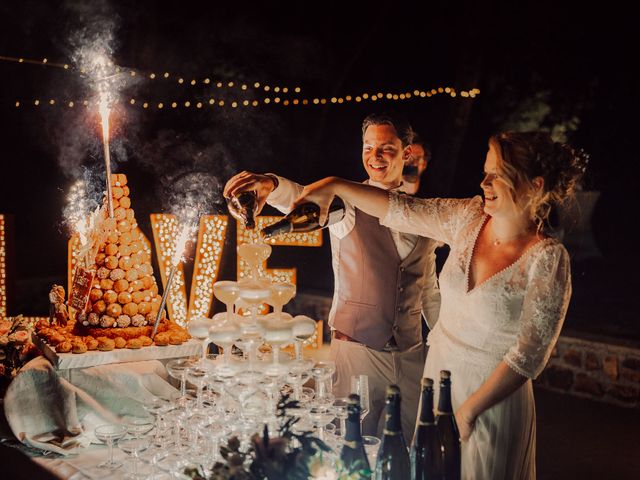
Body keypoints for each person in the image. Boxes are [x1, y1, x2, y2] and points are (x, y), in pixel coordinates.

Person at [292, 131, 587, 479]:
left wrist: (467, 413)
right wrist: (335, 184)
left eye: (496, 175)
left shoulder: (548, 258)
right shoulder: (468, 217)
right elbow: (399, 209)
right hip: (438, 383)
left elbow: (530, 354)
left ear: (534, 186)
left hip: (491, 400)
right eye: (485, 171)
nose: (484, 182)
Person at [224, 113, 441, 441]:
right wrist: (269, 183)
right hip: (358, 354)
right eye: (368, 148)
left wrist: (443, 348)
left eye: (385, 148)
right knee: (351, 448)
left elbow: (430, 291)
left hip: (412, 357)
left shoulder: (424, 214)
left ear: (407, 153)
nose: (374, 157)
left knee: (409, 452)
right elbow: (299, 196)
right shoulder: (344, 203)